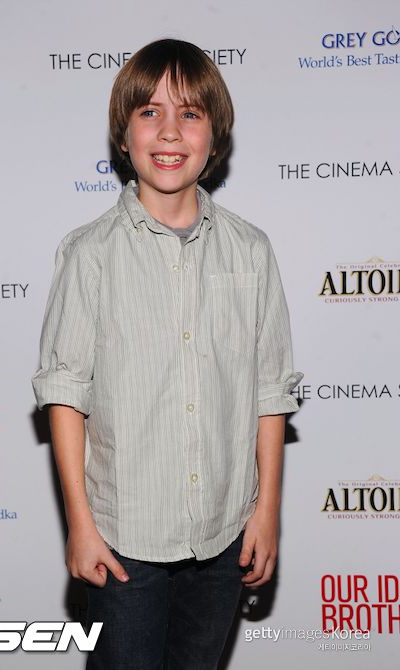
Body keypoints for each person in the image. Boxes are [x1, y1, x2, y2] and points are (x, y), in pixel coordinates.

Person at [31, 38, 303, 670]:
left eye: (191, 113)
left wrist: (267, 514)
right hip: (123, 538)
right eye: (150, 112)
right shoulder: (90, 254)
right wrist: (80, 524)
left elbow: (269, 391)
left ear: (215, 135)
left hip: (224, 534)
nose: (170, 131)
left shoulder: (250, 251)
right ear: (124, 135)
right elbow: (65, 393)